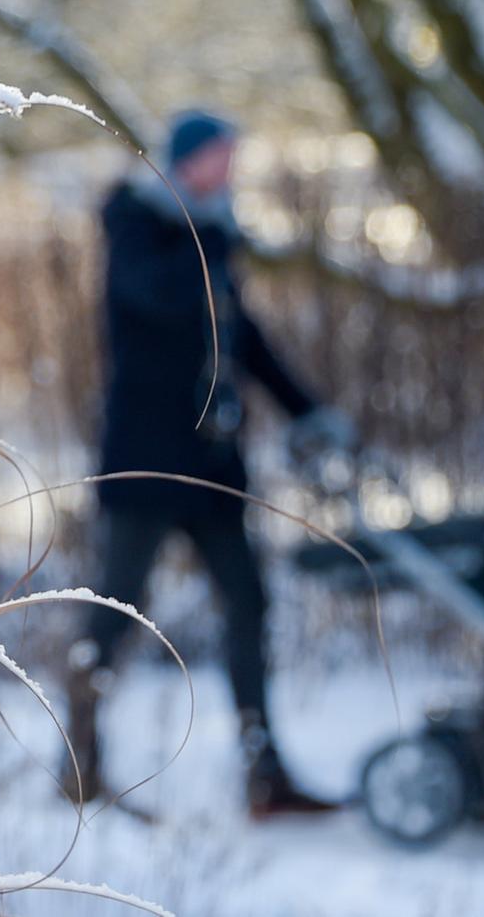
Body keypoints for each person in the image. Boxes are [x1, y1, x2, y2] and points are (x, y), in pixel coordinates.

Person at [62, 109, 354, 818]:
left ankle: (266, 774)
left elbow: (242, 337)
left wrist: (307, 409)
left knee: (249, 603)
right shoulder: (136, 225)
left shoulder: (211, 237)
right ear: (182, 161)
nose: (228, 170)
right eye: (217, 158)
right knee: (118, 608)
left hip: (215, 463)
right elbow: (157, 297)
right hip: (146, 464)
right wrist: (213, 244)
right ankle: (79, 768)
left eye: (233, 157)